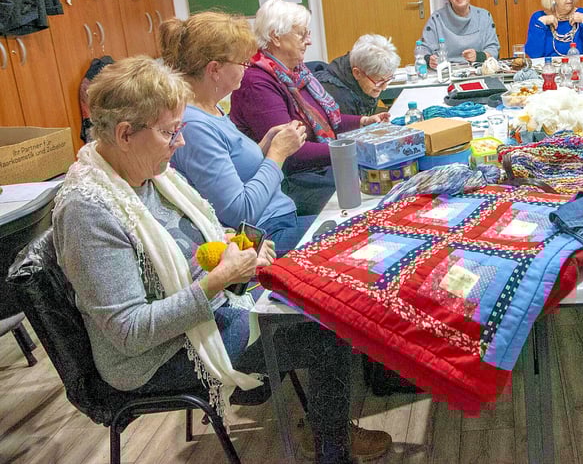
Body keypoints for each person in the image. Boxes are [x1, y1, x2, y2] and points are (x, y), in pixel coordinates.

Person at [53, 57, 393, 464]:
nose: (179, 143)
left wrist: (235, 249)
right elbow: (130, 332)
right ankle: (331, 448)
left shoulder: (146, 172)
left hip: (205, 314)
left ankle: (328, 422)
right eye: (169, 132)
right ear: (125, 133)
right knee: (325, 330)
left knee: (323, 291)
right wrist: (218, 281)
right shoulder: (88, 211)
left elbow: (188, 248)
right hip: (153, 358)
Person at [160, 12, 316, 253]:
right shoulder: (195, 126)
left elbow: (235, 166)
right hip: (266, 234)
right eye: (242, 62)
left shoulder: (211, 109)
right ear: (215, 69)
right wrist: (277, 154)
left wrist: (264, 146)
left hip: (277, 219)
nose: (247, 68)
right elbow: (239, 212)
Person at [230, 0, 387, 216]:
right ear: (276, 36)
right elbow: (291, 151)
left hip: (317, 170)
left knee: (380, 180)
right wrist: (350, 150)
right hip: (292, 182)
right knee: (369, 197)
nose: (309, 41)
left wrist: (363, 123)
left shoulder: (296, 72)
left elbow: (328, 121)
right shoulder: (258, 83)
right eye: (302, 35)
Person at [415, 0, 500, 68]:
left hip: (477, 70)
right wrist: (429, 60)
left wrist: (479, 56)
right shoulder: (436, 19)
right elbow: (423, 49)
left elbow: (494, 49)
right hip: (446, 72)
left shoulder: (484, 16)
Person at [312, 33, 400, 117]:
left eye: (387, 80)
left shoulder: (362, 72)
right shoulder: (338, 97)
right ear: (357, 73)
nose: (384, 87)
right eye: (379, 81)